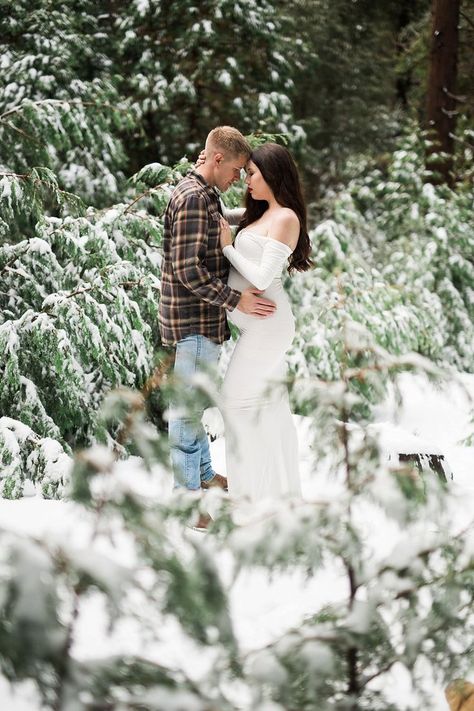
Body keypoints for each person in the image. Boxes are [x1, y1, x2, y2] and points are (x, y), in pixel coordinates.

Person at [158, 126, 276, 529]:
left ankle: (204, 476)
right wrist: (236, 299)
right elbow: (187, 269)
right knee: (186, 414)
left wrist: (267, 214)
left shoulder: (204, 195)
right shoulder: (193, 198)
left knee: (195, 405)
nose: (238, 180)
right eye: (237, 170)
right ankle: (188, 504)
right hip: (193, 322)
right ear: (218, 159)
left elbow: (219, 223)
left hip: (202, 322)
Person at [218, 142, 313, 507]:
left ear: (272, 174)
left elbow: (261, 277)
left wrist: (229, 248)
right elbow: (215, 209)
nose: (247, 181)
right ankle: (271, 503)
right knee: (266, 412)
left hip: (269, 328)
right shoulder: (258, 215)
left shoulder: (285, 218)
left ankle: (247, 503)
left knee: (234, 403)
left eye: (252, 173)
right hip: (258, 327)